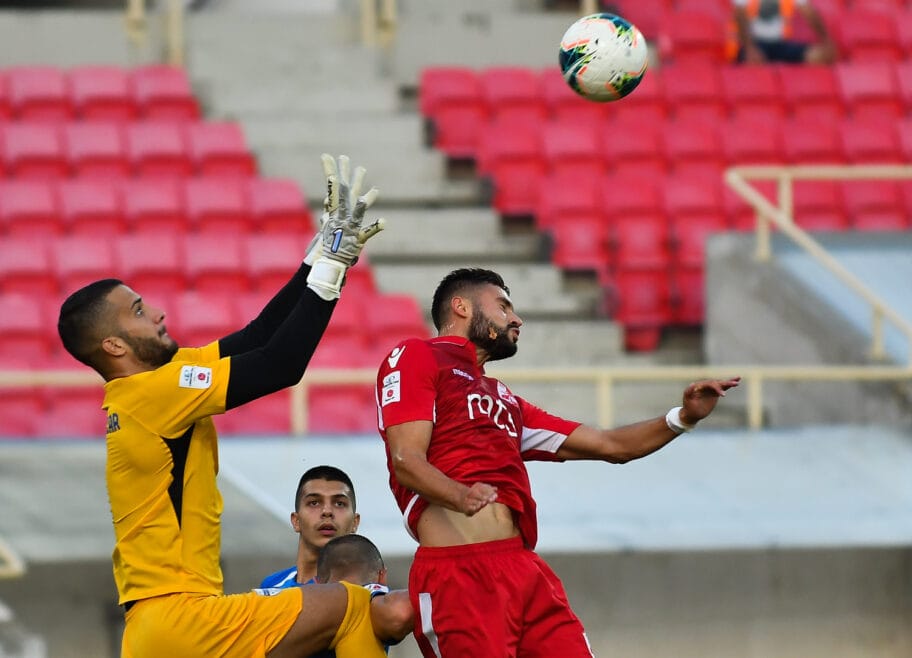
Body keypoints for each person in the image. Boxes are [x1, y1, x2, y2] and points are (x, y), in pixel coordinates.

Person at [57, 154, 412, 657]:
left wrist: (319, 257)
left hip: (154, 631)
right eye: (138, 311)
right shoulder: (157, 393)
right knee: (352, 605)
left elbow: (256, 338)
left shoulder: (147, 389)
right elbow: (280, 364)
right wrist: (332, 269)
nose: (156, 312)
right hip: (182, 617)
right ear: (114, 346)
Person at [375, 267, 741, 657]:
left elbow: (611, 444)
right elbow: (406, 460)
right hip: (458, 574)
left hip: (522, 569)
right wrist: (459, 495)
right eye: (503, 306)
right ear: (461, 306)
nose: (516, 319)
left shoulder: (505, 400)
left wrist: (682, 418)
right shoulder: (416, 356)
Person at [260, 466, 362, 589]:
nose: (327, 511)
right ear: (296, 521)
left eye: (339, 503)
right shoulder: (271, 586)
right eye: (314, 503)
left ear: (355, 522)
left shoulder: (368, 594)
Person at [731, 0, 836, 64]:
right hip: (755, 43)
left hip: (780, 43)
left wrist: (826, 42)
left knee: (820, 56)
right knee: (752, 62)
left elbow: (809, 12)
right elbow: (740, 16)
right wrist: (750, 48)